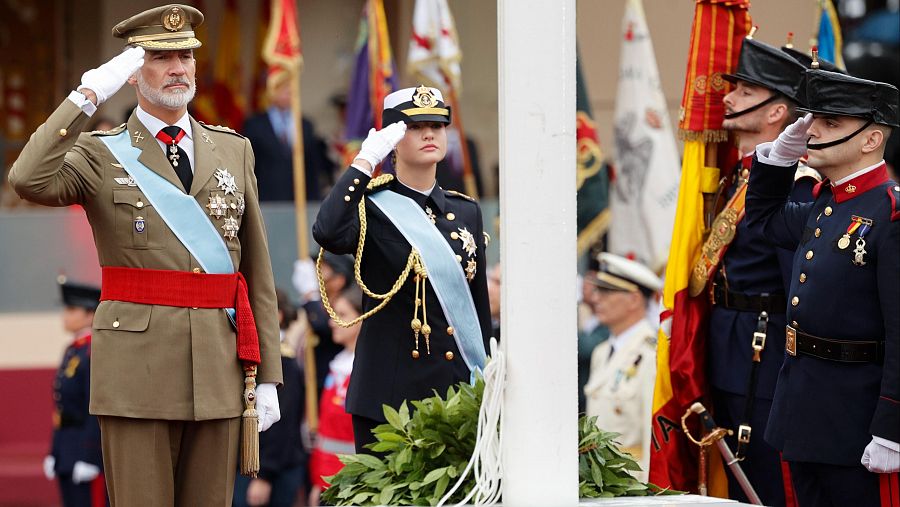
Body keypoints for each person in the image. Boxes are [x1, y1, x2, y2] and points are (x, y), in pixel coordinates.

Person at [7, 5, 283, 505]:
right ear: (133, 73)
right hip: (137, 373)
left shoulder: (233, 149)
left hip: (219, 369)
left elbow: (256, 271)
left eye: (186, 56)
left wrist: (267, 376)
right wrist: (87, 95)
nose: (178, 68)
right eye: (161, 57)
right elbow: (28, 179)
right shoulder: (100, 152)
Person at [746, 67, 899, 505]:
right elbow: (762, 221)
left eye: (830, 123)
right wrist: (777, 160)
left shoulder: (890, 214)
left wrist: (892, 428)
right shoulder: (828, 204)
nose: (812, 131)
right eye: (813, 120)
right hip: (802, 410)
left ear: (871, 139)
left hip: (856, 420)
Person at [312, 85, 492, 453]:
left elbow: (477, 310)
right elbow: (327, 231)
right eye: (415, 127)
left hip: (456, 392)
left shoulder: (466, 212)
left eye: (437, 126)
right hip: (390, 398)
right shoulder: (370, 206)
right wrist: (364, 162)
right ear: (393, 139)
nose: (429, 134)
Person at [692, 34, 818, 505]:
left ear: (776, 112)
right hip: (729, 344)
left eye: (745, 92)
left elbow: (796, 285)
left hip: (764, 352)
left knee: (765, 479)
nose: (728, 98)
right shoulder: (737, 174)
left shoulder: (794, 184)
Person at [583, 253, 661, 482]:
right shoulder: (601, 352)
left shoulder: (651, 355)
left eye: (606, 292)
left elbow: (652, 437)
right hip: (599, 480)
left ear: (634, 299)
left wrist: (649, 492)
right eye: (597, 290)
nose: (596, 298)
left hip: (631, 481)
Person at [234, 289, 306, 507]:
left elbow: (281, 425)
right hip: (251, 464)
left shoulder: (284, 362)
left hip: (270, 469)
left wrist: (264, 475)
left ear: (277, 316)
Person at [43, 279, 106, 507]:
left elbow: (95, 407)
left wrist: (91, 457)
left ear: (90, 314)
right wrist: (55, 451)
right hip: (68, 449)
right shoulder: (73, 350)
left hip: (86, 451)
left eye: (72, 310)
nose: (65, 316)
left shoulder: (94, 350)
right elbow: (62, 409)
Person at [242, 69, 334, 202]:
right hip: (264, 199)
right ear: (271, 92)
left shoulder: (305, 125)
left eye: (292, 90)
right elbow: (248, 165)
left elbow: (312, 166)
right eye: (284, 89)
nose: (289, 94)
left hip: (299, 200)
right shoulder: (254, 125)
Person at [308, 285, 362, 506]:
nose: (332, 322)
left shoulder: (368, 373)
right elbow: (326, 435)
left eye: (342, 314)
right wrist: (317, 482)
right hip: (328, 482)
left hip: (355, 486)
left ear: (362, 319)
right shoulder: (338, 365)